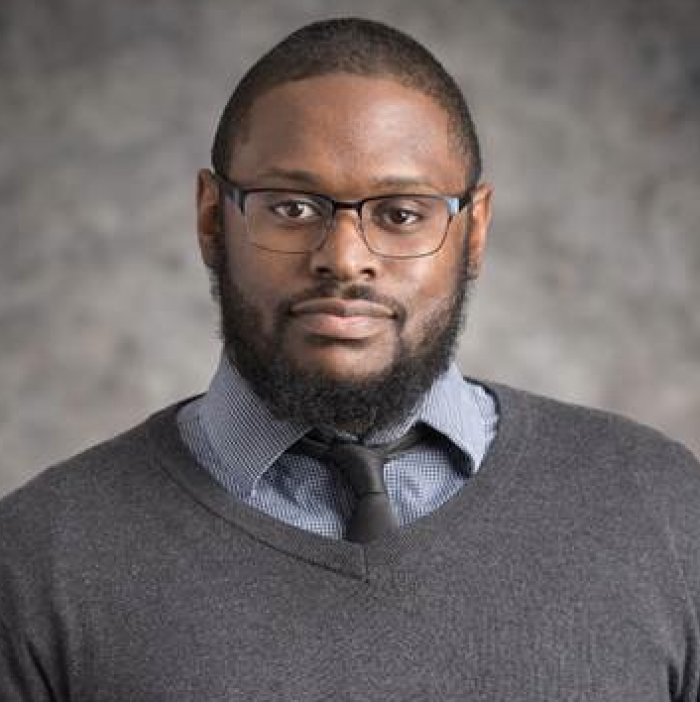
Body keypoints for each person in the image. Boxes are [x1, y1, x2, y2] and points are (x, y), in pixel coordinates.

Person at [1, 17, 698, 702]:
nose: (344, 258)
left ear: (474, 231)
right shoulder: (37, 563)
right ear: (213, 218)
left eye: (401, 213)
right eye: (292, 208)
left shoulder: (662, 509)